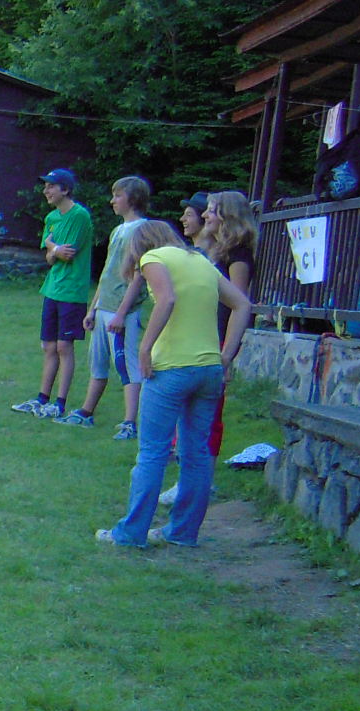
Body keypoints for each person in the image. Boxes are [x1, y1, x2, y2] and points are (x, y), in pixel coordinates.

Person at [97, 220, 251, 547]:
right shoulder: (201, 261)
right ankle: (183, 533)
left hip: (170, 369)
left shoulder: (153, 257)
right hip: (208, 369)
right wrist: (225, 356)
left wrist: (144, 348)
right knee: (196, 453)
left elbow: (166, 299)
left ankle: (131, 534)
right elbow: (243, 305)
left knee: (152, 452)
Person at [69, 176, 153, 435]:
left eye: (118, 196)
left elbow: (138, 276)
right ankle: (87, 411)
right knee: (98, 362)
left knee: (126, 365)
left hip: (122, 310)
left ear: (133, 199)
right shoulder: (118, 230)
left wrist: (121, 313)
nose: (112, 201)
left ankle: (130, 422)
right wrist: (93, 307)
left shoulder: (142, 230)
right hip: (104, 306)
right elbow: (107, 271)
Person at [11, 168, 94, 419]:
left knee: (63, 346)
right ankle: (41, 399)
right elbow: (50, 257)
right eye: (45, 186)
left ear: (65, 189)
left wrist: (52, 247)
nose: (46, 191)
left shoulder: (79, 216)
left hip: (72, 290)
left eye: (51, 186)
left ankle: (59, 403)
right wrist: (53, 249)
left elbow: (67, 254)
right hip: (52, 288)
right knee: (48, 346)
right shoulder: (51, 217)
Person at [199, 189, 257, 458]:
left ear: (227, 216)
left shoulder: (238, 256)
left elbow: (239, 305)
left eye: (211, 210)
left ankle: (204, 472)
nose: (204, 215)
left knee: (210, 410)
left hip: (218, 338)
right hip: (203, 334)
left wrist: (227, 354)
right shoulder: (215, 251)